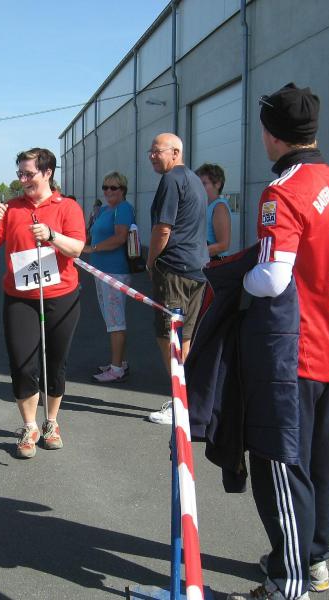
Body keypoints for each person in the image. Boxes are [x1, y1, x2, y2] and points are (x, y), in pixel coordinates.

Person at [229, 83, 329, 600]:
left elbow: (272, 278)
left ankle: (287, 580)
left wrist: (236, 281)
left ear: (272, 134)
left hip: (293, 352)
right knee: (320, 463)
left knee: (283, 469)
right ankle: (314, 560)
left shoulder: (284, 190)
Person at [0, 147, 85, 459]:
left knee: (55, 362)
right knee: (23, 363)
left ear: (47, 172)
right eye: (20, 174)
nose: (22, 179)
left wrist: (51, 235)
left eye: (29, 174)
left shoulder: (67, 207)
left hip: (60, 295)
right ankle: (29, 426)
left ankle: (51, 422)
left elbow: (77, 248)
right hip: (20, 297)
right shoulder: (12, 208)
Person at [145, 133, 208, 426]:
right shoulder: (194, 180)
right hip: (196, 269)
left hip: (175, 271)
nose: (152, 156)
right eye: (150, 151)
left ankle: (179, 402)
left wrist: (150, 260)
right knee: (184, 337)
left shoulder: (172, 180)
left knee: (168, 336)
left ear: (175, 152)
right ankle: (184, 397)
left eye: (157, 151)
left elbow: (163, 229)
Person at [81, 171, 133, 383]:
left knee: (115, 321)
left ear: (123, 190)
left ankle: (116, 368)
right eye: (105, 187)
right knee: (111, 319)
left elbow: (120, 238)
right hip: (101, 271)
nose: (108, 191)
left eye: (113, 187)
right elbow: (92, 233)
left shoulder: (123, 208)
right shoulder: (104, 209)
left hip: (115, 271)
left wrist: (92, 249)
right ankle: (119, 362)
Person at [195, 163, 232, 260]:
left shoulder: (219, 207)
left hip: (214, 262)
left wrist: (193, 255)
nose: (199, 187)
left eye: (204, 183)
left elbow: (223, 245)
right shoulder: (204, 206)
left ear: (217, 184)